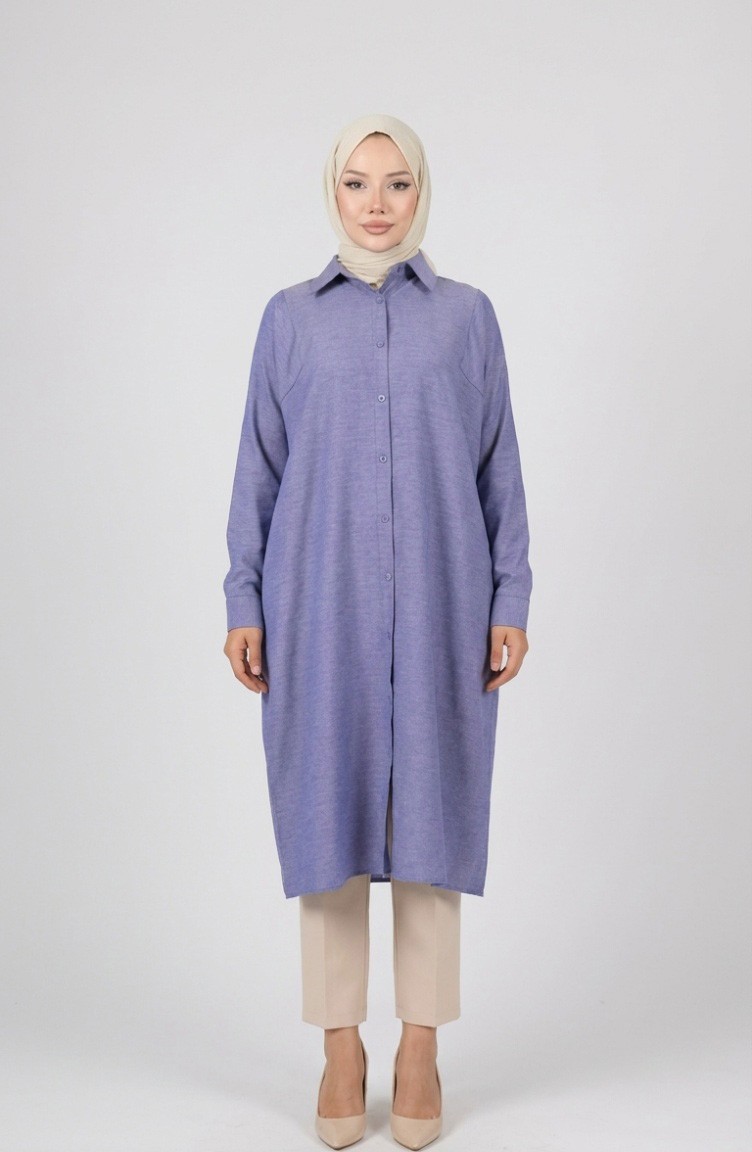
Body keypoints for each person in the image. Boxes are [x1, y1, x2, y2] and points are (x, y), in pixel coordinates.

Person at [222, 113, 532, 1149]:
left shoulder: (467, 318)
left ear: (420, 192)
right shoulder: (288, 321)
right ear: (333, 192)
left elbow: (498, 467)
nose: (377, 203)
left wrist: (509, 597)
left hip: (444, 606)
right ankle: (341, 1046)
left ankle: (421, 1048)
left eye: (396, 183)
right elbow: (258, 470)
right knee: (329, 821)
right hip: (318, 607)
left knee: (433, 825)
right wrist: (244, 599)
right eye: (357, 182)